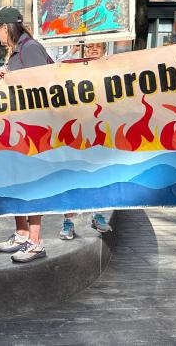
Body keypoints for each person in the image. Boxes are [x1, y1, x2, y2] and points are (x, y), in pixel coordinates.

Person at [0, 6, 54, 263]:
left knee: (32, 184)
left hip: (33, 130)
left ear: (5, 27)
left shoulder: (30, 48)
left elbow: (42, 86)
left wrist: (12, 77)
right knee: (16, 181)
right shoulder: (16, 50)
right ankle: (22, 233)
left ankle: (35, 241)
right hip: (17, 129)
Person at [58, 42, 112, 240]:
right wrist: (70, 51)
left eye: (98, 46)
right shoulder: (77, 67)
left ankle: (97, 215)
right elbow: (53, 72)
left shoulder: (111, 68)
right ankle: (68, 222)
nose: (94, 49)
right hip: (77, 130)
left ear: (105, 49)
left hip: (100, 132)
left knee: (98, 175)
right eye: (90, 46)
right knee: (72, 176)